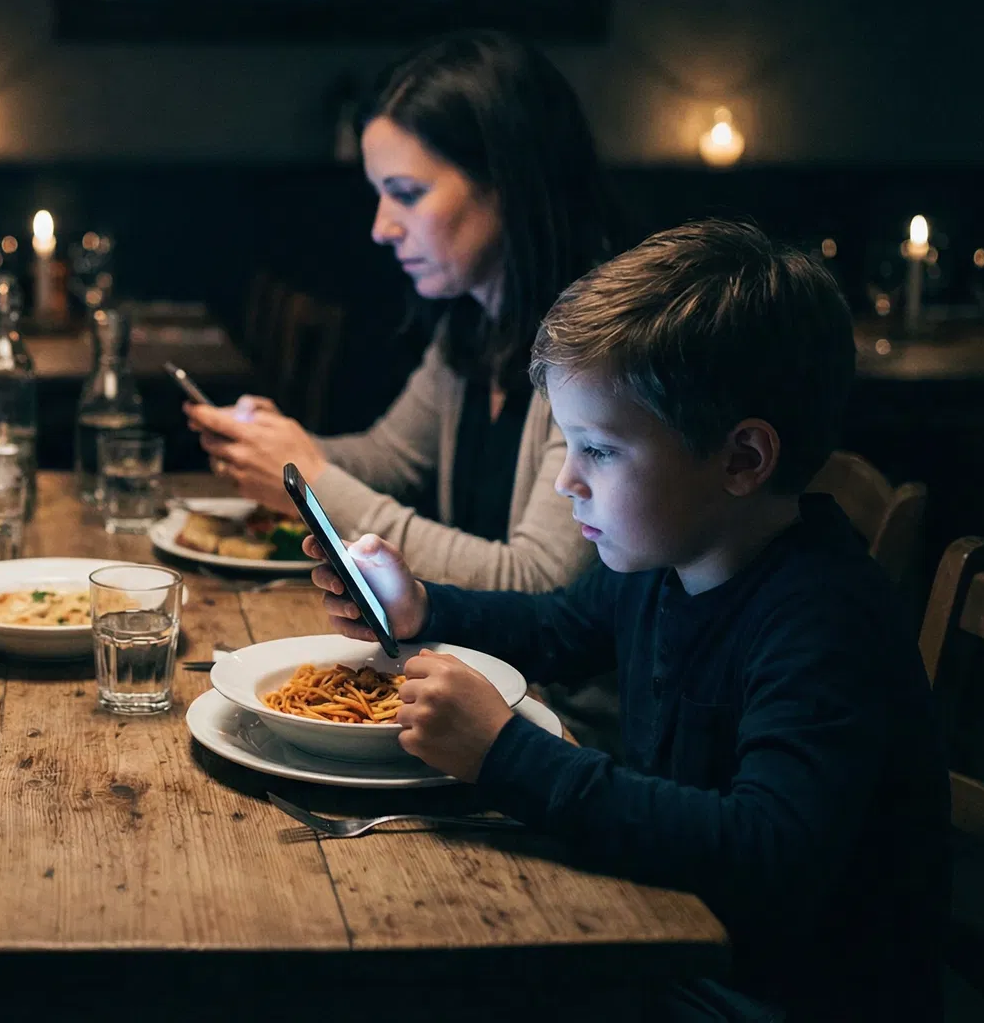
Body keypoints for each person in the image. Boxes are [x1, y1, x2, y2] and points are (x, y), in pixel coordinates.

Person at [308, 220, 946, 1021]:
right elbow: (556, 628)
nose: (568, 480)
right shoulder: (666, 565)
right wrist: (424, 605)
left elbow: (766, 851)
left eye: (599, 451)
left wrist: (508, 754)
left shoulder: (823, 619)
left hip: (776, 994)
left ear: (743, 460)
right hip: (677, 940)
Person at [187, 30, 612, 594]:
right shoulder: (475, 319)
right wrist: (278, 445)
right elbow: (392, 458)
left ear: (508, 183)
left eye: (407, 193)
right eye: (379, 195)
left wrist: (311, 483)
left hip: (541, 683)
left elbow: (536, 581)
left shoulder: (605, 345)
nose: (381, 228)